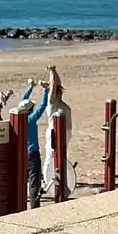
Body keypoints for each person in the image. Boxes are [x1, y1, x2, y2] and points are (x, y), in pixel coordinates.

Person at [17, 78, 50, 207]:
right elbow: (43, 105)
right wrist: (45, 90)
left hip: (21, 155)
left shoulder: (18, 120)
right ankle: (34, 207)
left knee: (21, 181)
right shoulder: (31, 119)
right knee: (34, 182)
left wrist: (30, 87)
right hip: (32, 154)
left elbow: (22, 101)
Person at [45, 66, 73, 200]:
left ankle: (62, 182)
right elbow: (53, 86)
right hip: (55, 132)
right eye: (58, 91)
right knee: (51, 157)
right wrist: (51, 73)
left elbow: (58, 84)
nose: (60, 92)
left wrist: (56, 71)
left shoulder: (61, 102)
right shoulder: (52, 102)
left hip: (65, 133)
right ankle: (49, 182)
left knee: (63, 157)